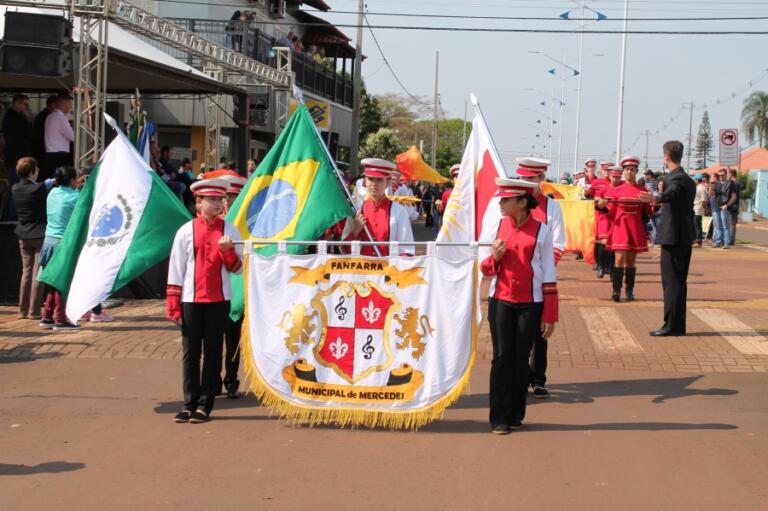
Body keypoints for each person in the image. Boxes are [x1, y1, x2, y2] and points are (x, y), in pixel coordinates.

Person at [480, 178, 558, 433]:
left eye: (506, 200)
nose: (501, 203)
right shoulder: (497, 225)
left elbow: (548, 273)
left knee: (520, 357)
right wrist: (495, 257)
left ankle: (515, 412)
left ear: (522, 202)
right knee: (501, 357)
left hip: (530, 302)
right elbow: (484, 268)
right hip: (500, 299)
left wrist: (550, 314)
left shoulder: (542, 231)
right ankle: (499, 416)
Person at [167, 178, 243, 423]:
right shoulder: (185, 231)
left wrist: (227, 251)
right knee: (190, 352)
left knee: (213, 352)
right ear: (198, 202)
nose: (218, 203)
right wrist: (173, 303)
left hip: (219, 300)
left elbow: (238, 269)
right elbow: (176, 268)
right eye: (212, 199)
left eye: (220, 199)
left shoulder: (230, 230)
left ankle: (205, 404)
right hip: (191, 299)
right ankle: (188, 402)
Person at [513, 158, 565, 399]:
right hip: (515, 277)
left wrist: (542, 268)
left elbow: (558, 243)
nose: (526, 183)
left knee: (540, 331)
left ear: (541, 179)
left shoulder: (551, 207)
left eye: (531, 179)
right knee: (518, 331)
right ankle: (521, 375)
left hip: (541, 278)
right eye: (522, 179)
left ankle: (539, 378)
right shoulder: (512, 203)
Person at [639, 141, 696, 337]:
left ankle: (671, 325)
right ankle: (677, 325)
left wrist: (655, 198)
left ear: (666, 157)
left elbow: (672, 194)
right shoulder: (686, 178)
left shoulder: (676, 178)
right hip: (683, 237)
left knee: (671, 282)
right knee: (678, 282)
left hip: (674, 238)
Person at [599, 156, 654, 302]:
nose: (630, 172)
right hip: (620, 226)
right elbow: (610, 211)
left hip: (635, 227)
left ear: (637, 172)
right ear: (623, 172)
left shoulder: (642, 190)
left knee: (630, 261)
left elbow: (651, 211)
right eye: (627, 169)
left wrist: (655, 199)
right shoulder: (616, 190)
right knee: (619, 259)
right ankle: (616, 290)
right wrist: (601, 207)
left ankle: (629, 290)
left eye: (632, 169)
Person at [38, 166, 83, 331]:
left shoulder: (52, 193)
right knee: (62, 282)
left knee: (52, 282)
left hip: (48, 241)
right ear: (71, 180)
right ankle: (60, 319)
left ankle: (47, 316)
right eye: (77, 178)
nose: (78, 180)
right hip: (63, 243)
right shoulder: (76, 196)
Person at [342, 158, 415, 256]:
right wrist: (355, 231)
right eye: (370, 179)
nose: (374, 184)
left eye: (379, 179)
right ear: (365, 181)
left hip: (389, 269)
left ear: (388, 183)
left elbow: (407, 250)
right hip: (362, 269)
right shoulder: (357, 210)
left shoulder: (399, 211)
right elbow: (346, 251)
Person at [12, 157, 54, 319]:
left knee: (26, 273)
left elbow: (40, 186)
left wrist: (47, 182)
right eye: (36, 169)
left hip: (23, 234)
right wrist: (51, 181)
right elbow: (41, 187)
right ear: (32, 171)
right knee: (39, 273)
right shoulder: (37, 189)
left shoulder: (15, 188)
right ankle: (34, 311)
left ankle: (22, 310)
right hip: (39, 234)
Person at [218, 173, 247, 399]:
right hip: (216, 287)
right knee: (213, 340)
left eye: (236, 195)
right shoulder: (217, 224)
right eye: (228, 196)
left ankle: (232, 379)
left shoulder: (250, 223)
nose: (230, 200)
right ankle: (213, 379)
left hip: (240, 286)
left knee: (234, 339)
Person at [43, 93, 75, 181]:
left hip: (51, 152)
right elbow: (73, 137)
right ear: (64, 104)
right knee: (61, 180)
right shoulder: (60, 117)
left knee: (55, 179)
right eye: (70, 104)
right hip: (59, 154)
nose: (70, 107)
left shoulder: (49, 116)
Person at [589, 162, 613, 278]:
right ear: (602, 171)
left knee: (608, 242)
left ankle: (607, 265)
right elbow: (588, 196)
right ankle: (599, 264)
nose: (608, 173)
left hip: (611, 215)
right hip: (598, 214)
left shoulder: (615, 183)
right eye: (606, 170)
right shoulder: (596, 182)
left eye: (610, 170)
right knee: (598, 241)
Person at [32, 95, 57, 164]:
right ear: (53, 105)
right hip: (43, 148)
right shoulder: (47, 116)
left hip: (40, 148)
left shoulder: (41, 115)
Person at [724, 168, 741, 246]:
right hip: (733, 205)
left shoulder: (735, 183)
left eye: (728, 174)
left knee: (731, 223)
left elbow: (734, 195)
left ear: (731, 174)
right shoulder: (736, 182)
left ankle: (731, 240)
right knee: (731, 223)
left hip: (733, 205)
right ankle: (730, 239)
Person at [693, 174, 708, 247]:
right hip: (695, 208)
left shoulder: (701, 188)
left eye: (694, 179)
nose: (693, 181)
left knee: (698, 225)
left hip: (699, 209)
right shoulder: (697, 187)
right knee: (696, 225)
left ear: (697, 180)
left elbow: (704, 200)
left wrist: (705, 210)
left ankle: (698, 241)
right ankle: (696, 240)